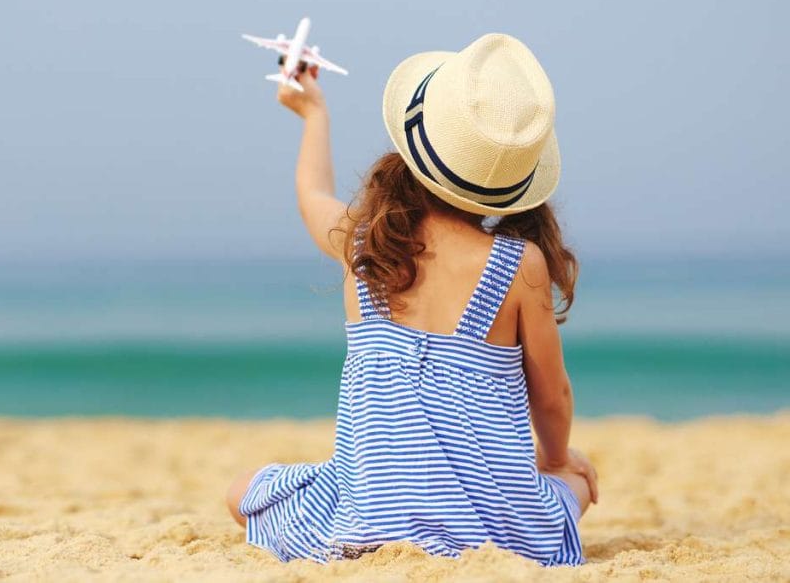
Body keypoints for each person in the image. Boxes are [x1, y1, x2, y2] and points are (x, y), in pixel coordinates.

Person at [226, 33, 598, 566]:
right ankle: (565, 480)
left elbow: (313, 196)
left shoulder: (365, 245)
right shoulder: (519, 266)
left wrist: (314, 114)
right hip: (491, 531)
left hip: (369, 520)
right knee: (579, 479)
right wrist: (557, 459)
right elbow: (553, 397)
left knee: (243, 490)